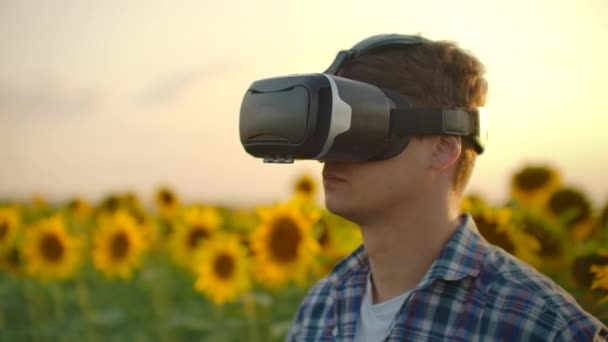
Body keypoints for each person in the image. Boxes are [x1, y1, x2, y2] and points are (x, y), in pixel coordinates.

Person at [285, 34, 608, 341]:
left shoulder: (543, 327)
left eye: (358, 126)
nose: (331, 154)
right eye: (330, 129)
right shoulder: (322, 304)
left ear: (442, 147)